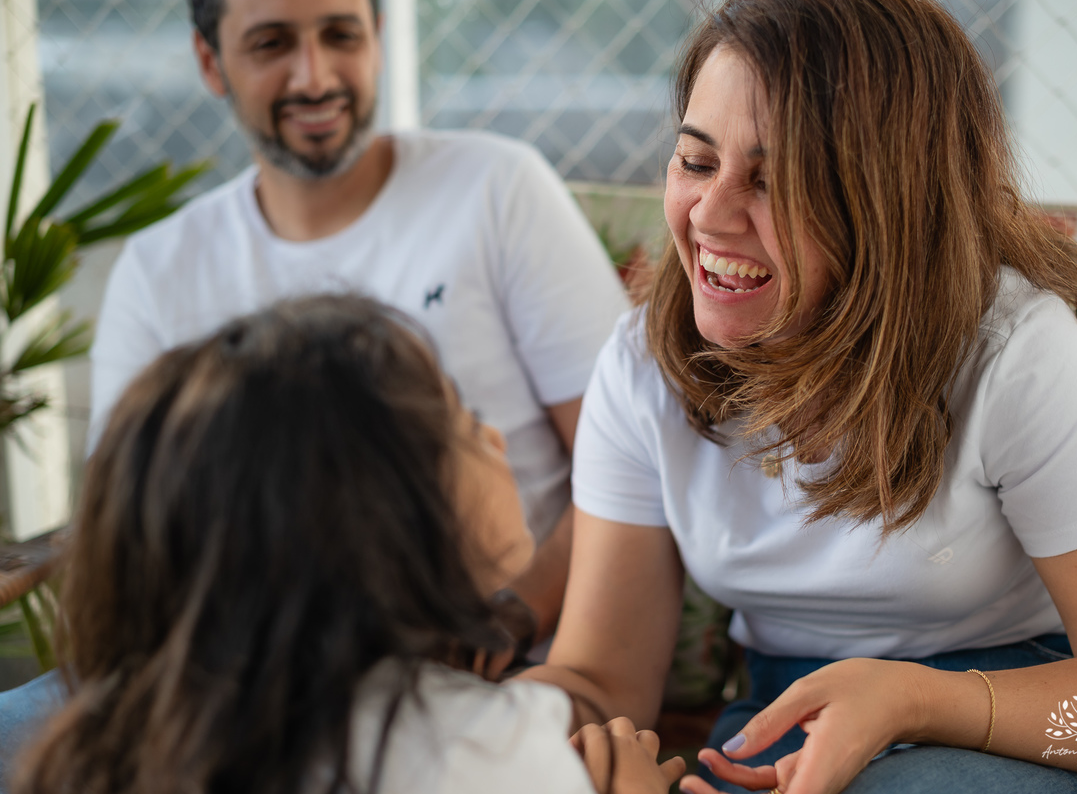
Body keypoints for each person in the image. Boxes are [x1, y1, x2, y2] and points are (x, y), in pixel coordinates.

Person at [521, 0, 1077, 793]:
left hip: (1029, 718)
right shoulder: (644, 362)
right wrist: (480, 727)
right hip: (785, 721)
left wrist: (915, 700)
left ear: (891, 200)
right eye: (697, 162)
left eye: (775, 181)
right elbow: (601, 682)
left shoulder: (1015, 352)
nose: (710, 213)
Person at [87, 0, 628, 645]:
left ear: (377, 36)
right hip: (259, 675)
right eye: (272, 44)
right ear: (210, 61)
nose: (314, 78)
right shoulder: (158, 272)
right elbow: (127, 528)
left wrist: (508, 621)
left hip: (507, 661)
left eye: (341, 35)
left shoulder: (498, 188)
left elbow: (626, 459)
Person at [9, 295, 683, 794]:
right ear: (387, 518)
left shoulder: (125, 738)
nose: (496, 438)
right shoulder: (489, 749)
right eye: (466, 423)